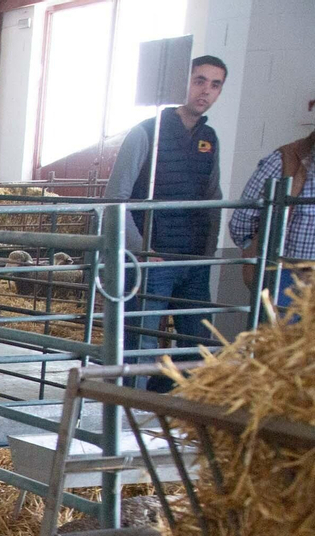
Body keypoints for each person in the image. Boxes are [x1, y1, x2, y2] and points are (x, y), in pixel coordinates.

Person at [103, 55, 227, 391]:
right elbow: (116, 198)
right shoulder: (145, 133)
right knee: (142, 342)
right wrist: (142, 250)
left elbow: (213, 197)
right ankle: (130, 409)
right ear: (181, 82)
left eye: (215, 85)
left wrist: (208, 252)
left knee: (197, 342)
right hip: (153, 258)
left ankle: (183, 410)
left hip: (193, 260)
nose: (206, 90)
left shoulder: (210, 139)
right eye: (199, 80)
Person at [230, 130, 314, 314]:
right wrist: (256, 251)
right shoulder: (285, 160)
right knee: (281, 330)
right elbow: (241, 222)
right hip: (286, 277)